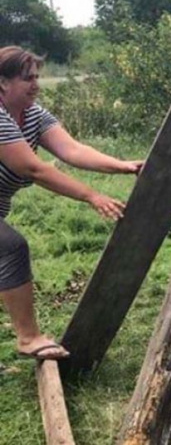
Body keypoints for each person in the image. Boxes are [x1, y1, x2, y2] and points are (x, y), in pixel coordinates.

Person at [0, 46, 142, 360]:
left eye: (37, 76)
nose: (36, 84)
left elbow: (73, 150)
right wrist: (92, 195)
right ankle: (28, 337)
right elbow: (34, 168)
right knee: (10, 248)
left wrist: (123, 165)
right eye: (27, 79)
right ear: (3, 84)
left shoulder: (32, 114)